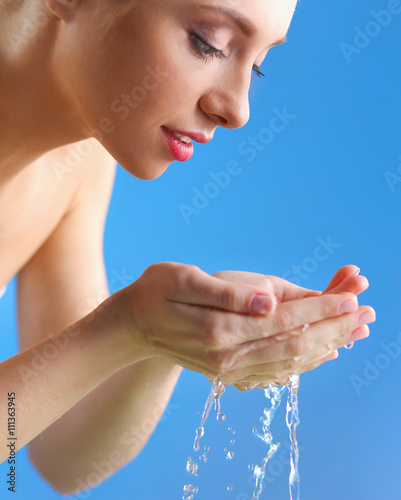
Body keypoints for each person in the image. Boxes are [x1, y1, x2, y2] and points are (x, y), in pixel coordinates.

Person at [0, 0, 376, 495]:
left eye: (258, 64)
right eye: (210, 42)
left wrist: (170, 336)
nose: (238, 110)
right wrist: (127, 325)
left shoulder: (77, 161)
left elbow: (62, 450)